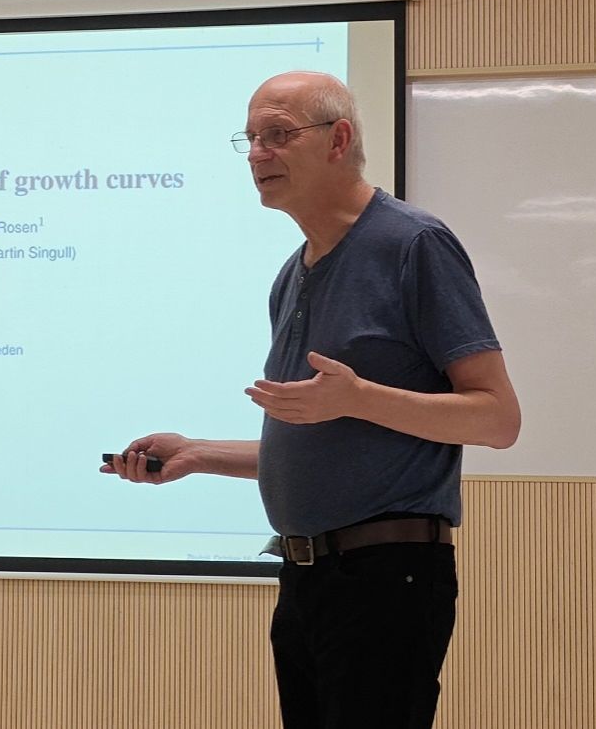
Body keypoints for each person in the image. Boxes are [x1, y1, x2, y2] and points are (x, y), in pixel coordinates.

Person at [102, 70, 520, 729]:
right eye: (250, 139)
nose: (258, 153)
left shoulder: (413, 244)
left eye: (277, 135)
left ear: (338, 140)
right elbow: (323, 435)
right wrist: (198, 454)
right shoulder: (291, 275)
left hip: (387, 576)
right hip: (305, 576)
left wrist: (359, 397)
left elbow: (497, 418)